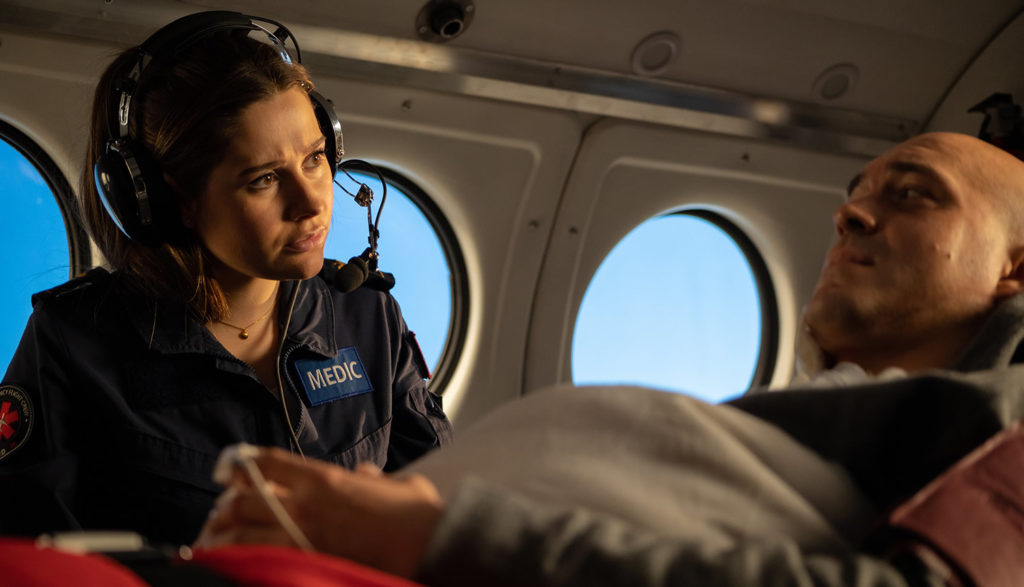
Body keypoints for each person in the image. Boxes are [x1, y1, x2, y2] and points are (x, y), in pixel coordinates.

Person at [196, 131, 1024, 586]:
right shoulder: (857, 417)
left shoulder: (1010, 428)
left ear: (1016, 268)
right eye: (858, 192)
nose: (850, 215)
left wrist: (450, 536)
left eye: (912, 193)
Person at [0, 11, 452, 546]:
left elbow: (437, 522)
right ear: (172, 200)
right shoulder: (73, 344)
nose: (311, 204)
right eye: (263, 179)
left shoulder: (368, 317)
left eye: (313, 159)